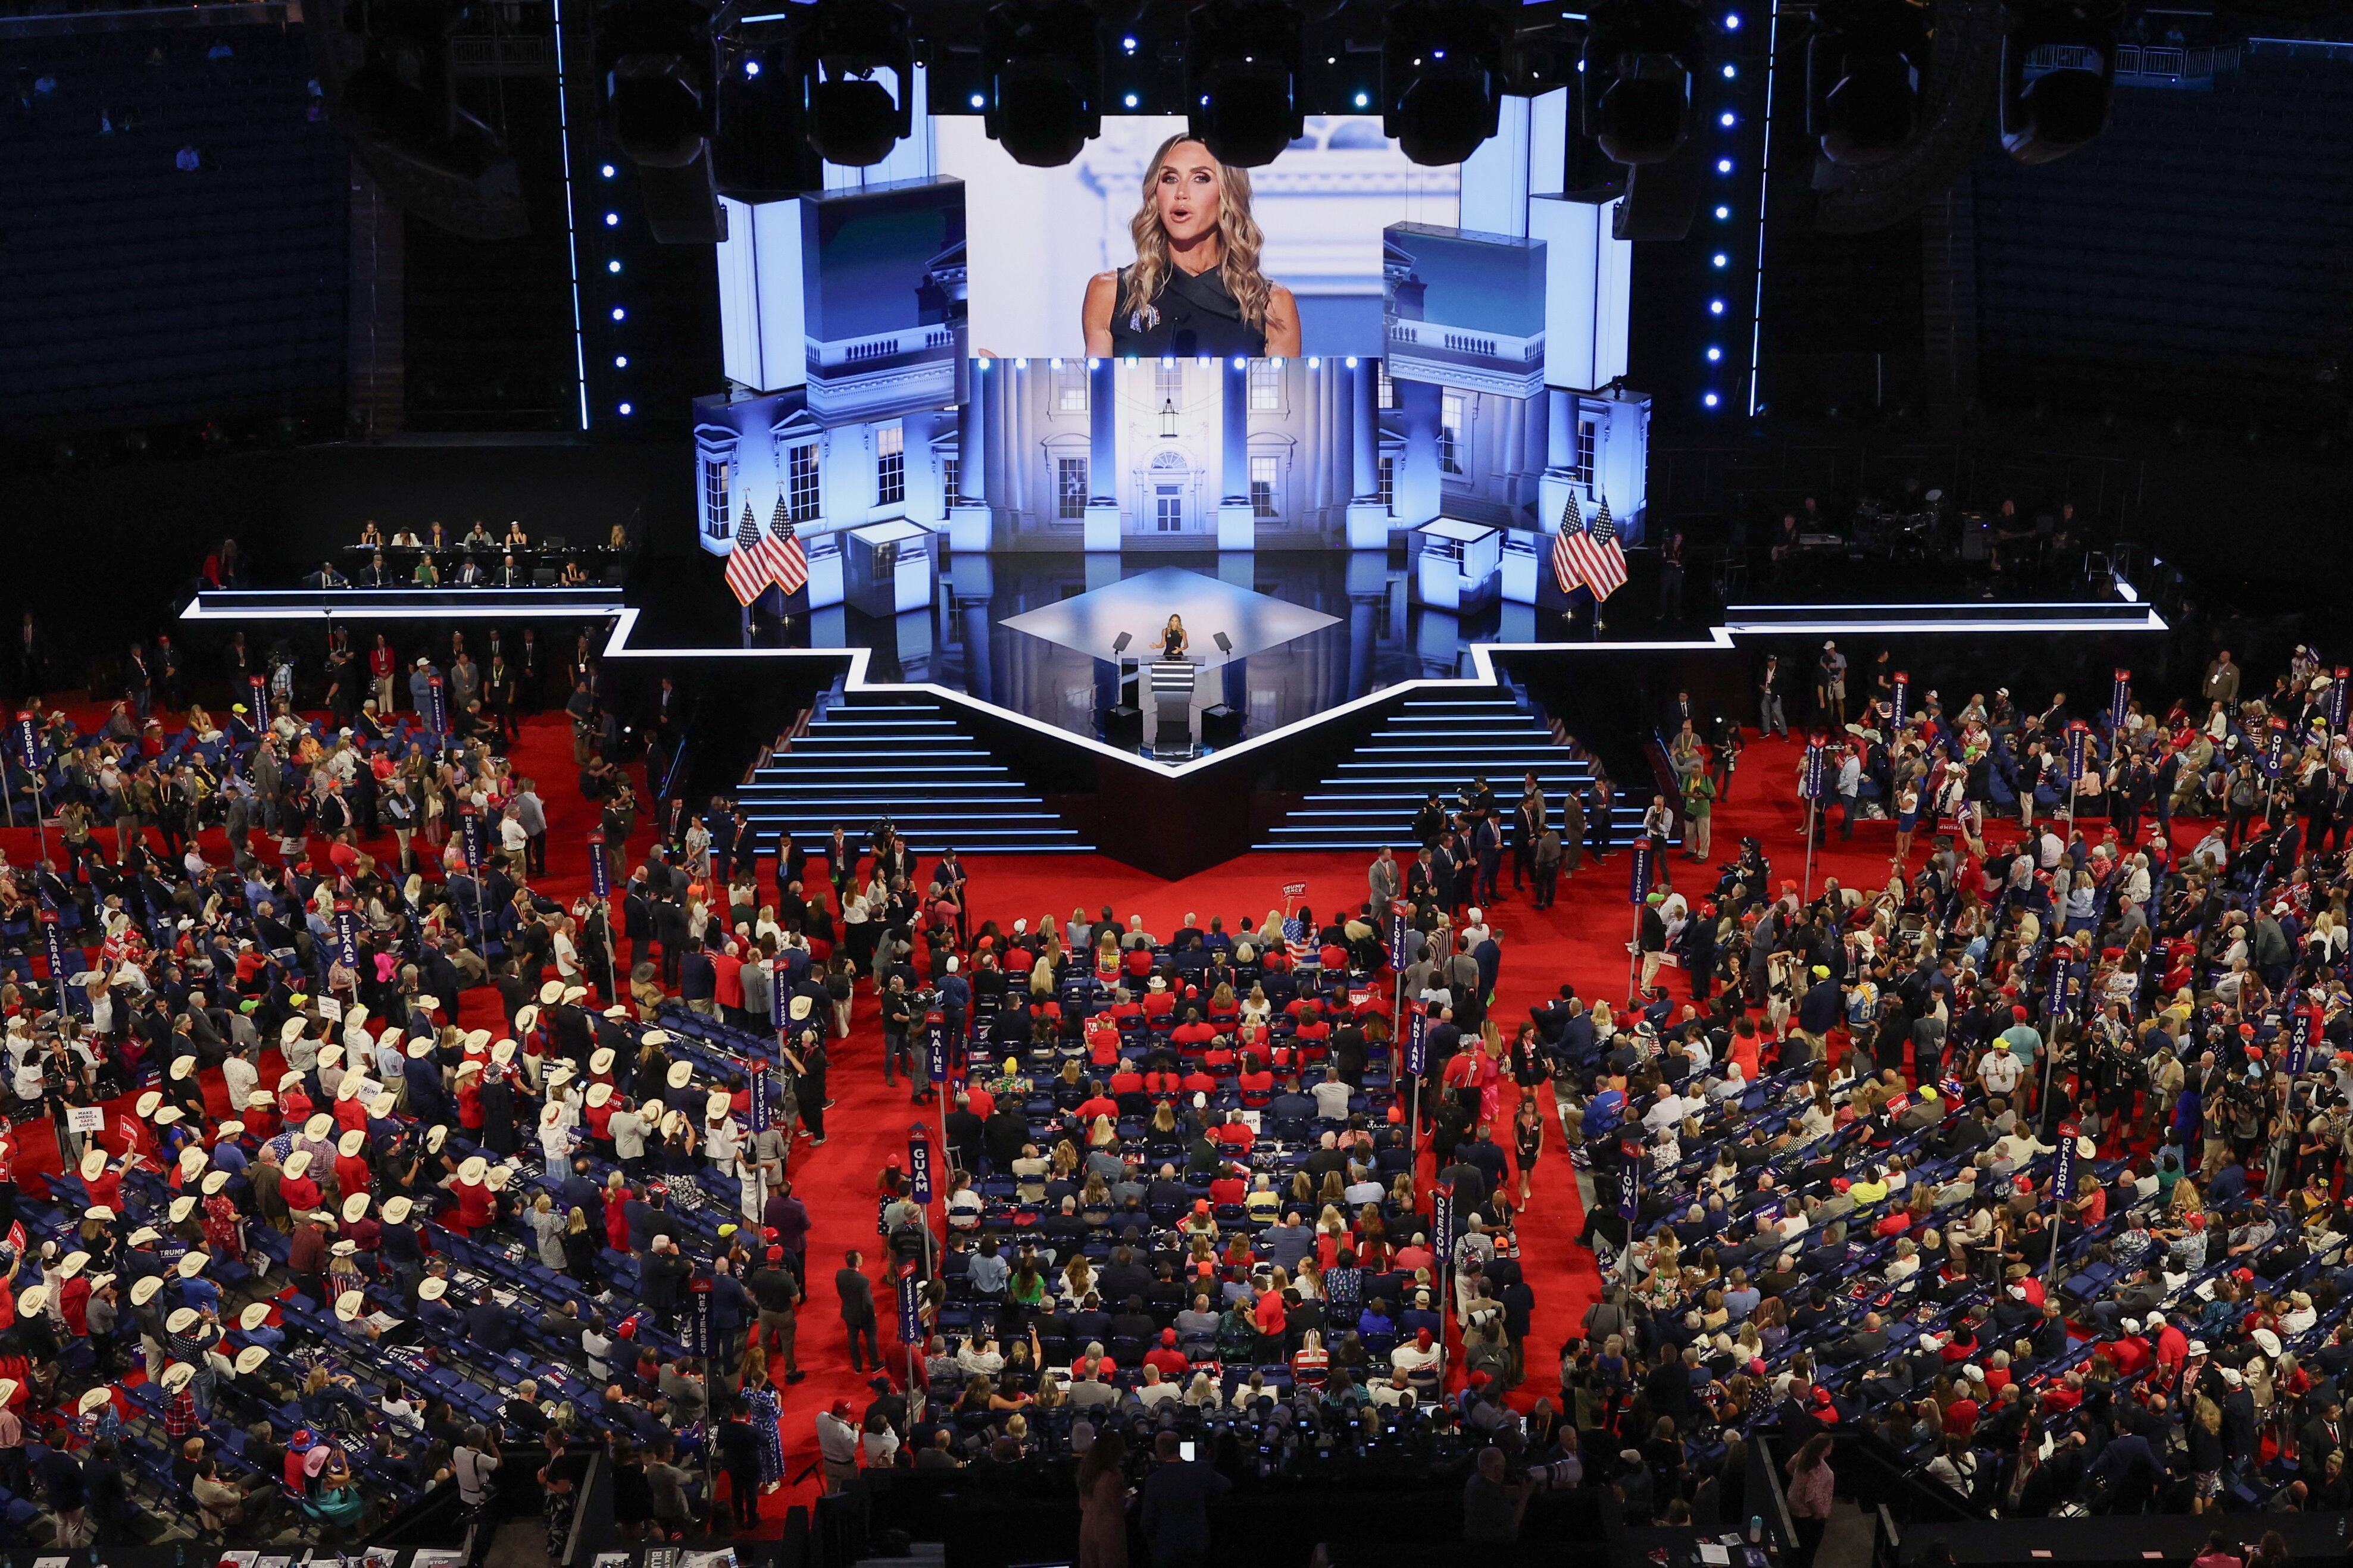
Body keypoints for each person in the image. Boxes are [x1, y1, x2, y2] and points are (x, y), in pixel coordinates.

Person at [1084, 133, 1300, 358]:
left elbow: (1284, 393)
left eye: (1201, 178)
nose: (1181, 194)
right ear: (1155, 194)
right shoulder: (1109, 294)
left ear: (1227, 194)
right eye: (1169, 178)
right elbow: (1097, 390)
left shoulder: (1272, 305)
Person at [1139, 1429, 1229, 1568]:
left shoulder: (1153, 1481)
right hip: (1197, 1545)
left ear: (1158, 1451)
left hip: (1166, 1550)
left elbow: (1147, 1523)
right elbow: (1226, 1486)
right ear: (1179, 1447)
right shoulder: (1200, 1469)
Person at [1075, 1427, 1130, 1567]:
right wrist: (1130, 1500)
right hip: (1108, 1530)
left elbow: (1082, 1504)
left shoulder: (1086, 1472)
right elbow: (1118, 1509)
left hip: (1087, 1526)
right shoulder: (1112, 1478)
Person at [1462, 1445, 1536, 1544]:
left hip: (1473, 1538)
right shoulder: (1493, 1496)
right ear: (1498, 1469)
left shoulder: (1475, 1480)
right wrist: (1525, 1496)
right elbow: (1513, 1523)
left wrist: (1521, 1489)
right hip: (1496, 1545)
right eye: (1503, 1466)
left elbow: (1501, 1490)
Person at [1786, 1432, 1835, 1567]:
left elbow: (1789, 1468)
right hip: (1809, 1518)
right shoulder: (1823, 1472)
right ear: (1824, 1449)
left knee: (1792, 1550)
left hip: (1792, 1507)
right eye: (1830, 1446)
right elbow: (1811, 1498)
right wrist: (1820, 1515)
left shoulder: (1802, 1456)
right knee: (1807, 1553)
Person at [836, 1250, 879, 1373]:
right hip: (864, 1315)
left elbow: (840, 1292)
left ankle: (857, 1366)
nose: (862, 1258)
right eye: (860, 1257)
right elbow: (869, 1302)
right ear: (856, 1262)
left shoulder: (840, 1274)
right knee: (871, 1337)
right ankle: (875, 1364)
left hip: (849, 1312)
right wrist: (872, 1314)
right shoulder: (863, 1281)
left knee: (852, 1338)